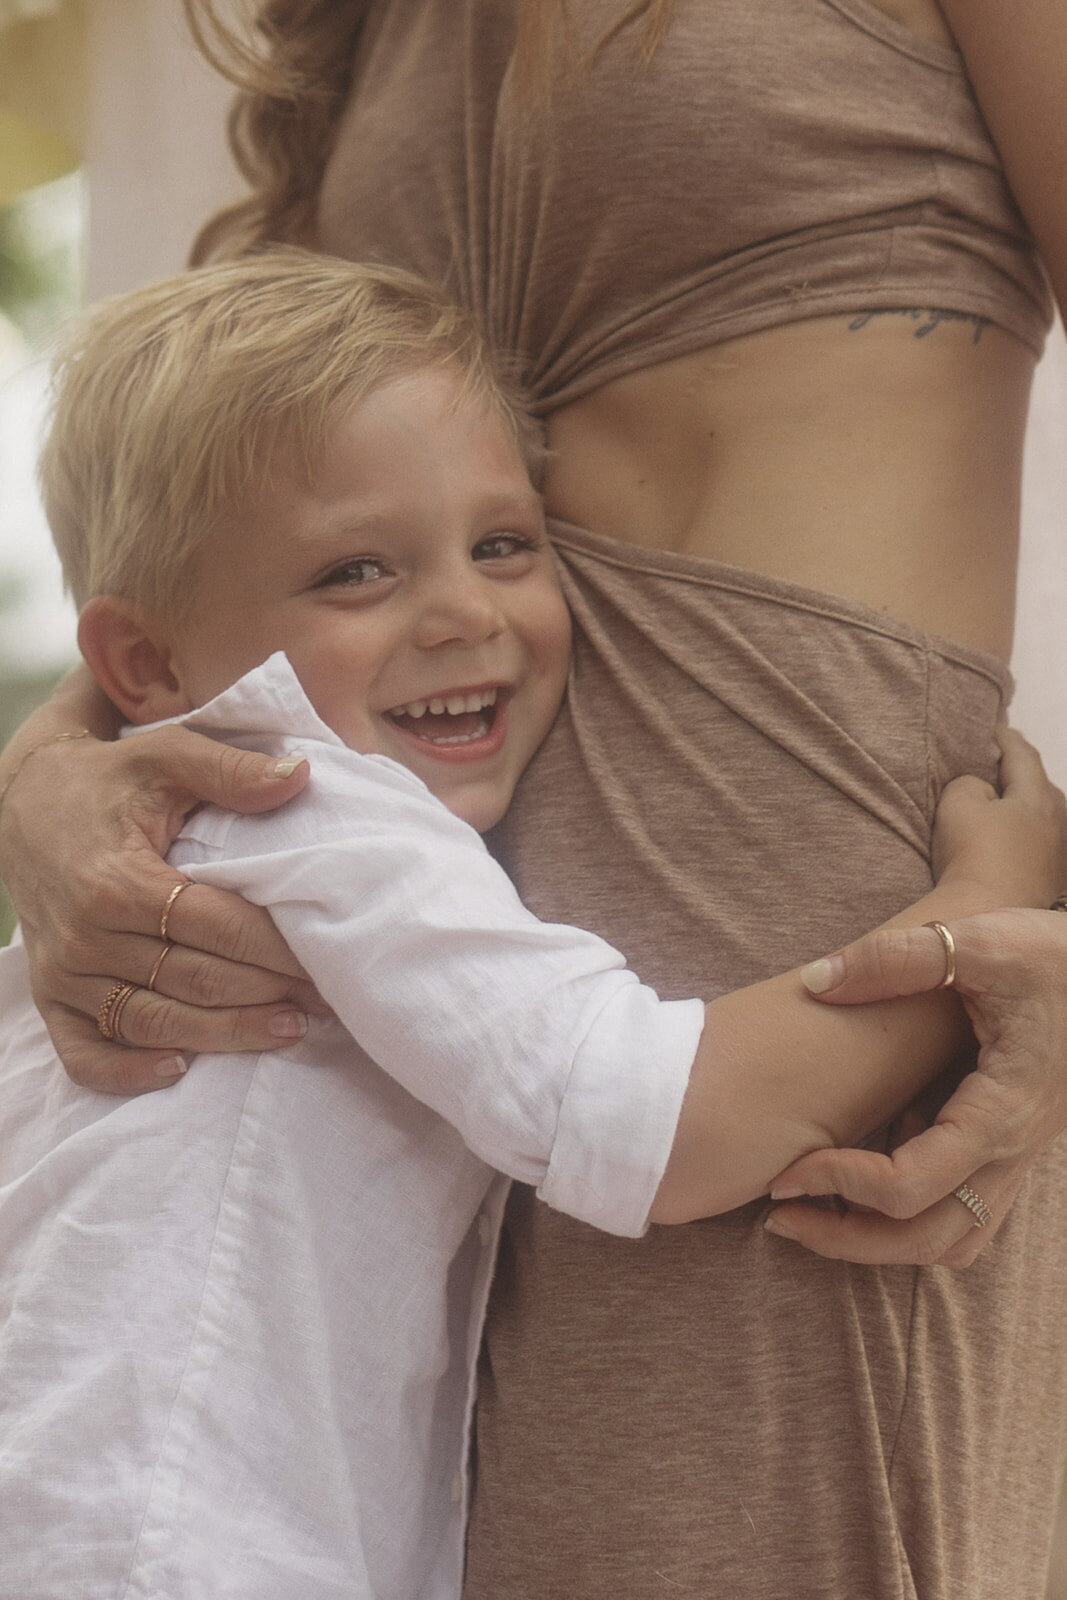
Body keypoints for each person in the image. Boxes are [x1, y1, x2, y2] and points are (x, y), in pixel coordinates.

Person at [1, 2, 1065, 1595]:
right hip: (437, 1073)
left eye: (505, 549)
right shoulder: (355, 24)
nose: (471, 602)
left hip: (803, 979)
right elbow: (217, 518)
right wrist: (48, 776)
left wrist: (1035, 916)